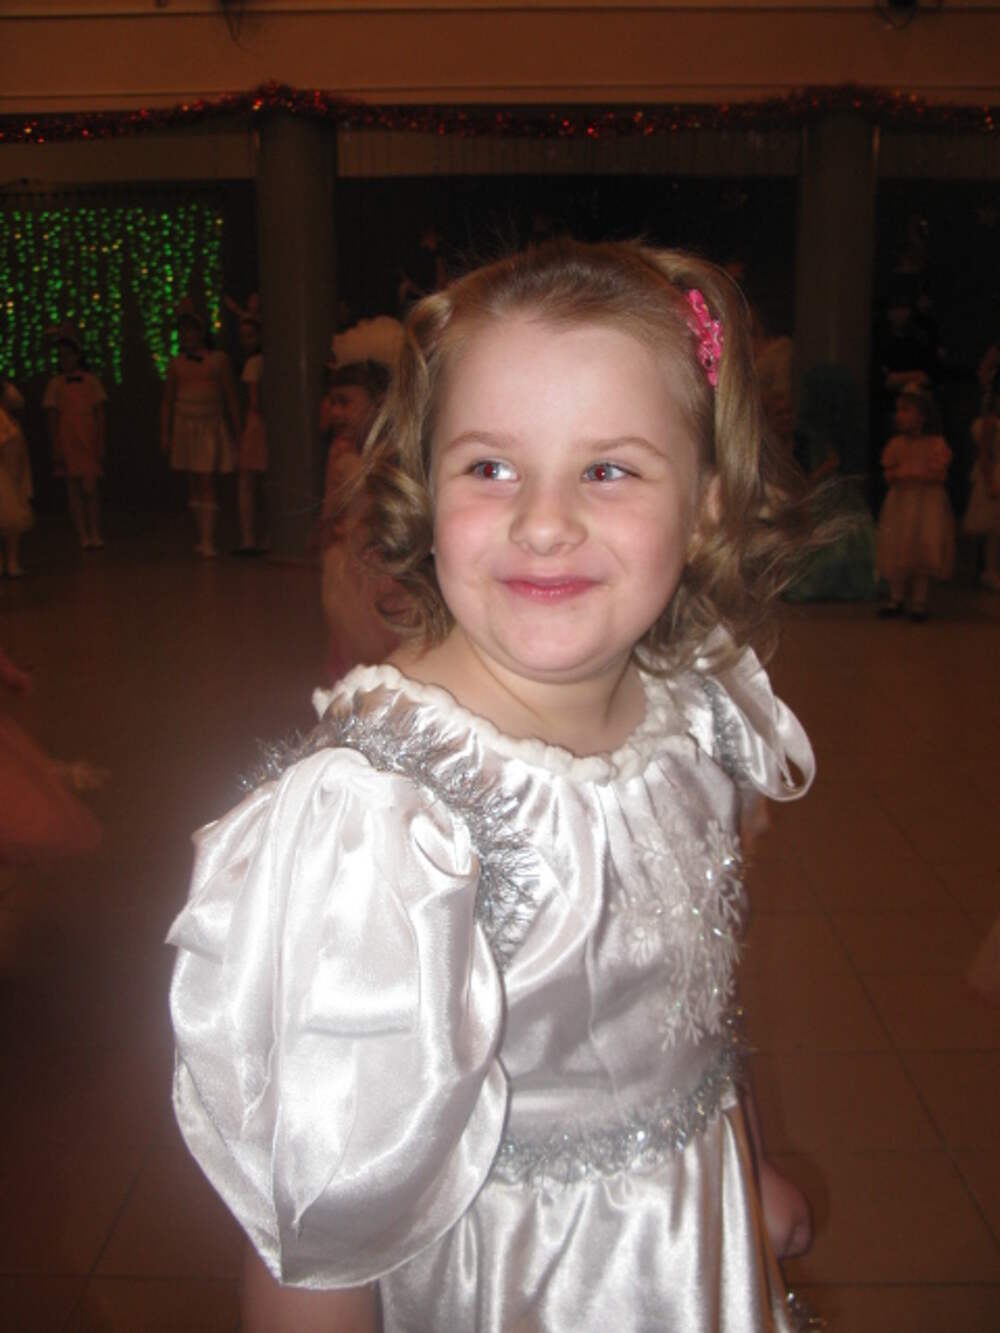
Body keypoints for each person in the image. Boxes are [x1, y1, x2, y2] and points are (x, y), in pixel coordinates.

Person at [169, 239, 823, 1333]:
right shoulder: (388, 824)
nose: (543, 521)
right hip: (513, 1283)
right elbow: (318, 1240)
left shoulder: (695, 715)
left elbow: (693, 1001)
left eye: (607, 469)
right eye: (489, 467)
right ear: (425, 489)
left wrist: (740, 1165)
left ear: (706, 505)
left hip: (690, 1248)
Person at [160, 297, 240, 558]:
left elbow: (230, 397)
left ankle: (208, 539)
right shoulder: (176, 364)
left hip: (209, 423)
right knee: (194, 480)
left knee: (206, 478)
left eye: (191, 331)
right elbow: (167, 401)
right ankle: (201, 535)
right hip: (185, 423)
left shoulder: (218, 360)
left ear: (201, 332)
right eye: (183, 332)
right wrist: (166, 433)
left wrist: (237, 430)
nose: (187, 336)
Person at [876, 382, 955, 621]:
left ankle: (919, 601)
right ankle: (896, 598)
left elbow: (938, 474)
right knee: (898, 546)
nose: (899, 415)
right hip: (900, 503)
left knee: (923, 547)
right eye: (898, 410)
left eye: (906, 410)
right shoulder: (896, 445)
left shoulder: (936, 444)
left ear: (923, 416)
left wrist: (912, 475)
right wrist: (900, 475)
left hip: (926, 504)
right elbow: (888, 473)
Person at [42, 322, 108, 550]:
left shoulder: (91, 381)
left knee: (90, 487)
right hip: (68, 436)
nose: (66, 360)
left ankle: (95, 530)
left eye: (69, 355)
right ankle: (83, 534)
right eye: (62, 356)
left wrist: (100, 440)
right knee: (74, 487)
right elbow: (52, 416)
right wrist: (56, 445)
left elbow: (100, 413)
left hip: (87, 435)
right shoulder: (55, 384)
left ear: (78, 356)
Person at [224, 294, 268, 555]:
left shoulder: (254, 363)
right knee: (260, 482)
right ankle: (261, 537)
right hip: (262, 423)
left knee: (248, 480)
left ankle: (249, 538)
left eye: (250, 336)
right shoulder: (260, 361)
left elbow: (254, 402)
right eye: (243, 337)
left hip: (256, 424)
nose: (246, 341)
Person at [962, 342, 1000, 591]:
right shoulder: (991, 421)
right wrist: (990, 480)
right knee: (993, 529)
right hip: (995, 472)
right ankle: (990, 570)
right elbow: (986, 453)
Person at [0, 400, 32, 578]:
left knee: (11, 520)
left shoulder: (9, 420)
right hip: (4, 473)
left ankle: (11, 561)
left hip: (9, 474)